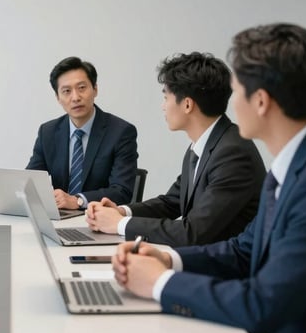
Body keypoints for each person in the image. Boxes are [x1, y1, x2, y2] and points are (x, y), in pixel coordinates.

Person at [112, 23, 306, 333]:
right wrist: (170, 260)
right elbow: (243, 249)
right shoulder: (300, 164)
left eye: (236, 91)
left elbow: (262, 303)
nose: (231, 103)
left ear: (261, 101)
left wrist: (158, 282)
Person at [86, 53, 266, 246]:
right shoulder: (203, 145)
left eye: (166, 97)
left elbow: (193, 233)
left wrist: (120, 224)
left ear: (187, 104)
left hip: (224, 268)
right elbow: (171, 202)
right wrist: (121, 212)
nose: (163, 106)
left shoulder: (232, 154)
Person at [26, 56, 138, 209]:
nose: (75, 97)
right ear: (58, 98)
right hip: (60, 219)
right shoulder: (48, 132)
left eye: (82, 88)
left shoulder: (121, 132)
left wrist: (78, 200)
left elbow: (121, 191)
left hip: (101, 221)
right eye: (66, 91)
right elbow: (31, 183)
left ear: (95, 89)